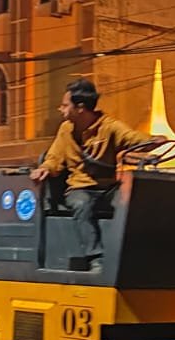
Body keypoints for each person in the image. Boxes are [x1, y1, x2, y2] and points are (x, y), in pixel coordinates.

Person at [30, 78, 163, 270]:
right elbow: (54, 158)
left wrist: (154, 140)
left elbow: (133, 138)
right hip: (79, 188)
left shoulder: (110, 127)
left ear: (80, 108)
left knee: (131, 203)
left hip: (107, 188)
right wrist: (44, 169)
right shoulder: (65, 130)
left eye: (65, 105)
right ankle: (96, 258)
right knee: (81, 204)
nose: (61, 109)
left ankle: (133, 255)